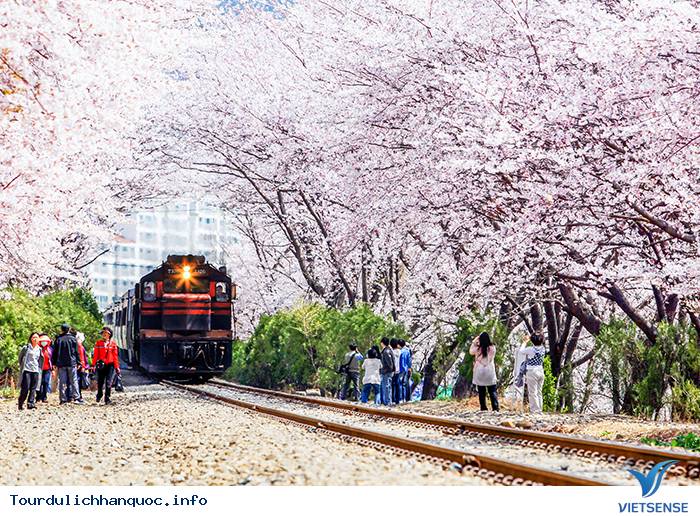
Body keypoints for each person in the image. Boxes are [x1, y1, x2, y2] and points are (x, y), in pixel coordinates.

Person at [52, 323, 83, 404]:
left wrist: (54, 363)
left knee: (62, 381)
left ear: (62, 330)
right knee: (74, 380)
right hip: (71, 363)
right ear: (69, 329)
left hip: (61, 363)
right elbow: (76, 352)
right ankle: (76, 398)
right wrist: (79, 362)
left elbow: (54, 352)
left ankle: (63, 399)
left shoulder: (58, 339)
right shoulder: (73, 339)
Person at [469, 332, 499, 411]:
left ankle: (483, 408)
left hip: (479, 371)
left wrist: (474, 341)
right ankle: (495, 408)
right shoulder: (492, 348)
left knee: (481, 391)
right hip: (489, 371)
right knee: (492, 391)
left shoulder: (478, 348)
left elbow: (470, 351)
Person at [92, 327, 120, 404]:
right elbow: (95, 355)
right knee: (100, 382)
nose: (103, 334)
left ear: (109, 335)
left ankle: (107, 398)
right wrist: (93, 365)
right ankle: (99, 394)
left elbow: (115, 356)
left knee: (109, 382)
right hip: (101, 365)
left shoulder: (113, 344)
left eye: (105, 333)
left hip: (110, 366)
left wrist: (117, 367)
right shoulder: (98, 343)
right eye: (102, 333)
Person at [17, 333, 44, 410]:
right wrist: (22, 366)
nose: (35, 339)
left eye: (37, 337)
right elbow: (20, 357)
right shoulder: (26, 348)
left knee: (33, 388)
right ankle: (21, 402)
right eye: (33, 337)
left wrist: (39, 369)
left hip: (35, 370)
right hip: (27, 370)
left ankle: (31, 404)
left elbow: (40, 360)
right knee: (25, 388)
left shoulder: (39, 349)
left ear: (39, 339)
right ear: (31, 338)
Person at [522, 333, 546, 414]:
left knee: (532, 392)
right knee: (539, 392)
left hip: (532, 371)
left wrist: (525, 342)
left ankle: (535, 410)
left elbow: (521, 351)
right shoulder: (543, 349)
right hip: (540, 370)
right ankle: (540, 410)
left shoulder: (530, 349)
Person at [36, 334, 53, 403]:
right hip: (39, 368)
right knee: (39, 383)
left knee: (46, 382)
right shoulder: (38, 349)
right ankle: (38, 397)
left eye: (45, 341)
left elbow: (52, 360)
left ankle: (44, 397)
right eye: (42, 341)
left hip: (47, 369)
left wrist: (53, 370)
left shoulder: (50, 350)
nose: (44, 342)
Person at [379, 337, 395, 405]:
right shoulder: (389, 350)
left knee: (386, 387)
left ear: (382, 343)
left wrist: (390, 369)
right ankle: (388, 401)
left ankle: (387, 402)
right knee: (388, 387)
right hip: (388, 371)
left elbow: (390, 363)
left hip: (386, 371)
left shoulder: (386, 351)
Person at [75, 332, 89, 402]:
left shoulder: (76, 345)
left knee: (77, 381)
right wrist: (83, 366)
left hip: (77, 365)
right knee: (78, 381)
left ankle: (77, 395)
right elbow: (82, 357)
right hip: (80, 366)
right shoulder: (80, 346)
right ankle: (78, 396)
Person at [390, 339, 402, 403]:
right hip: (398, 370)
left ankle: (392, 399)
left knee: (392, 385)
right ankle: (398, 399)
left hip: (392, 370)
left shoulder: (391, 352)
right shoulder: (400, 352)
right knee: (397, 385)